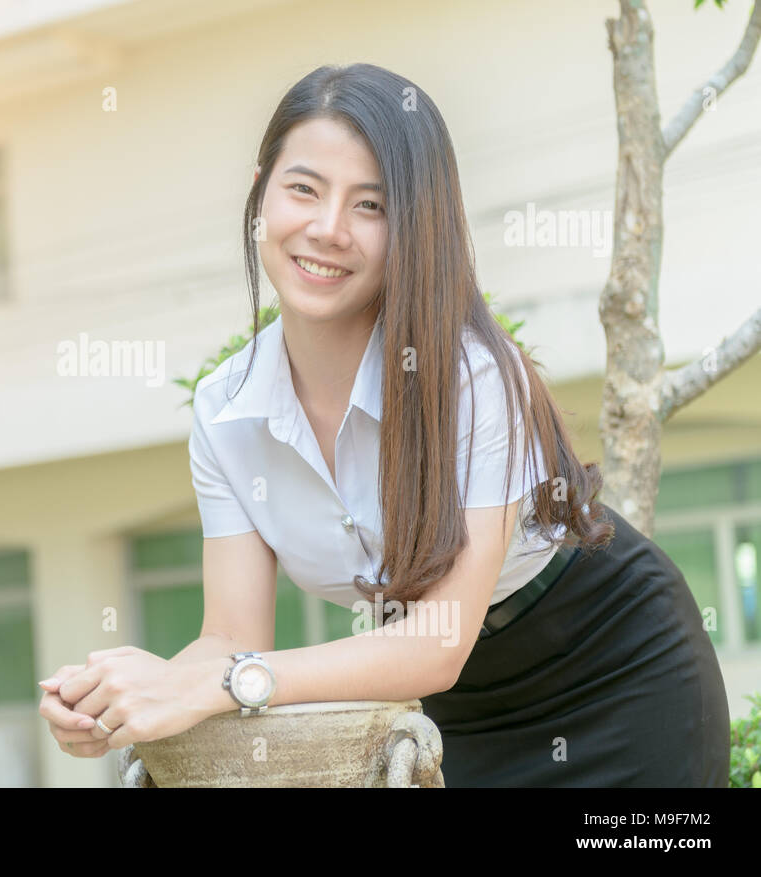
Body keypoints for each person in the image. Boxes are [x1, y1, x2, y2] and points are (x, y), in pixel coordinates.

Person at [37, 63, 731, 786]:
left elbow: (435, 642)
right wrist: (120, 697)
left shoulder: (473, 378)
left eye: (370, 205)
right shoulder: (226, 409)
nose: (327, 229)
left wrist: (212, 685)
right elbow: (231, 639)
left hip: (617, 665)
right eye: (303, 189)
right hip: (446, 706)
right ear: (259, 195)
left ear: (413, 228)